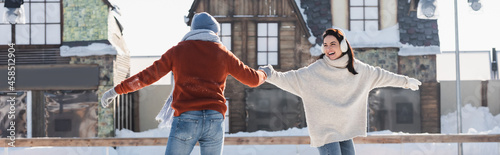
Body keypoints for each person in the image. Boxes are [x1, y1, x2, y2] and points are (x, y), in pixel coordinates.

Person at [101, 12, 267, 155]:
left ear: (193, 30)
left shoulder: (178, 51)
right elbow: (252, 79)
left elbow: (147, 76)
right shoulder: (223, 53)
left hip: (187, 119)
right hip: (214, 120)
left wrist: (115, 91)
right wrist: (265, 73)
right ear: (214, 32)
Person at [259, 28, 421, 155]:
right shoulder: (316, 71)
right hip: (325, 132)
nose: (328, 48)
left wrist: (406, 82)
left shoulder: (358, 70)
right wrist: (270, 74)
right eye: (325, 45)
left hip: (344, 130)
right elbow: (291, 79)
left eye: (332, 44)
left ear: (343, 45)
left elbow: (382, 75)